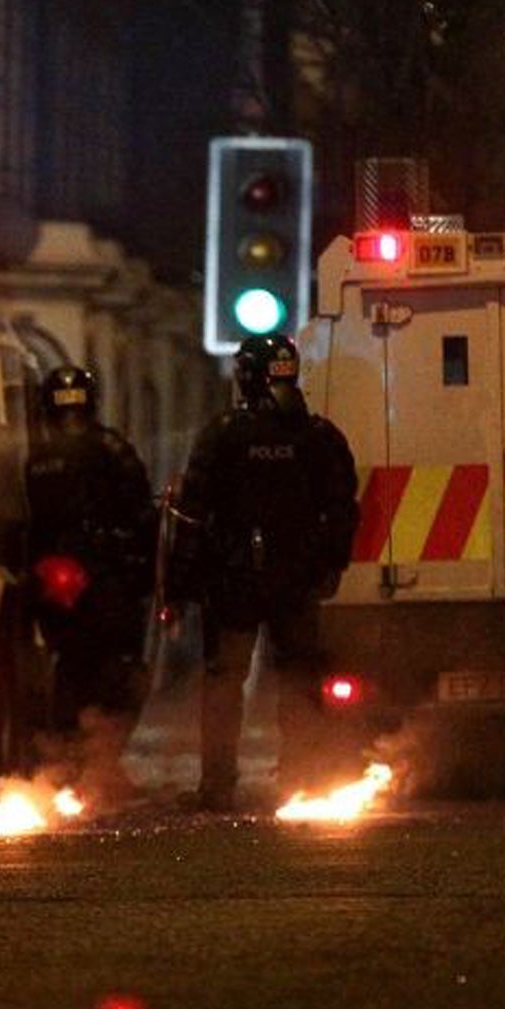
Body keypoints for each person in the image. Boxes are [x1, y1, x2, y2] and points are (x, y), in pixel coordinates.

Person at [166, 334, 359, 811]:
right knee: (297, 677)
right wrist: (331, 565)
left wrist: (180, 585)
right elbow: (342, 509)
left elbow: (191, 514)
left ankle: (217, 787)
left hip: (235, 580)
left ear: (247, 375)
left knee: (224, 678)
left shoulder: (224, 433)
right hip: (296, 579)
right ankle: (305, 778)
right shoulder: (319, 435)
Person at [23, 365, 157, 795]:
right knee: (118, 670)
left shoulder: (38, 459)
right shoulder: (113, 449)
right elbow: (142, 515)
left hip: (59, 585)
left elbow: (34, 525)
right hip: (109, 581)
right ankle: (102, 764)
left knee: (70, 669)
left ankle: (67, 766)